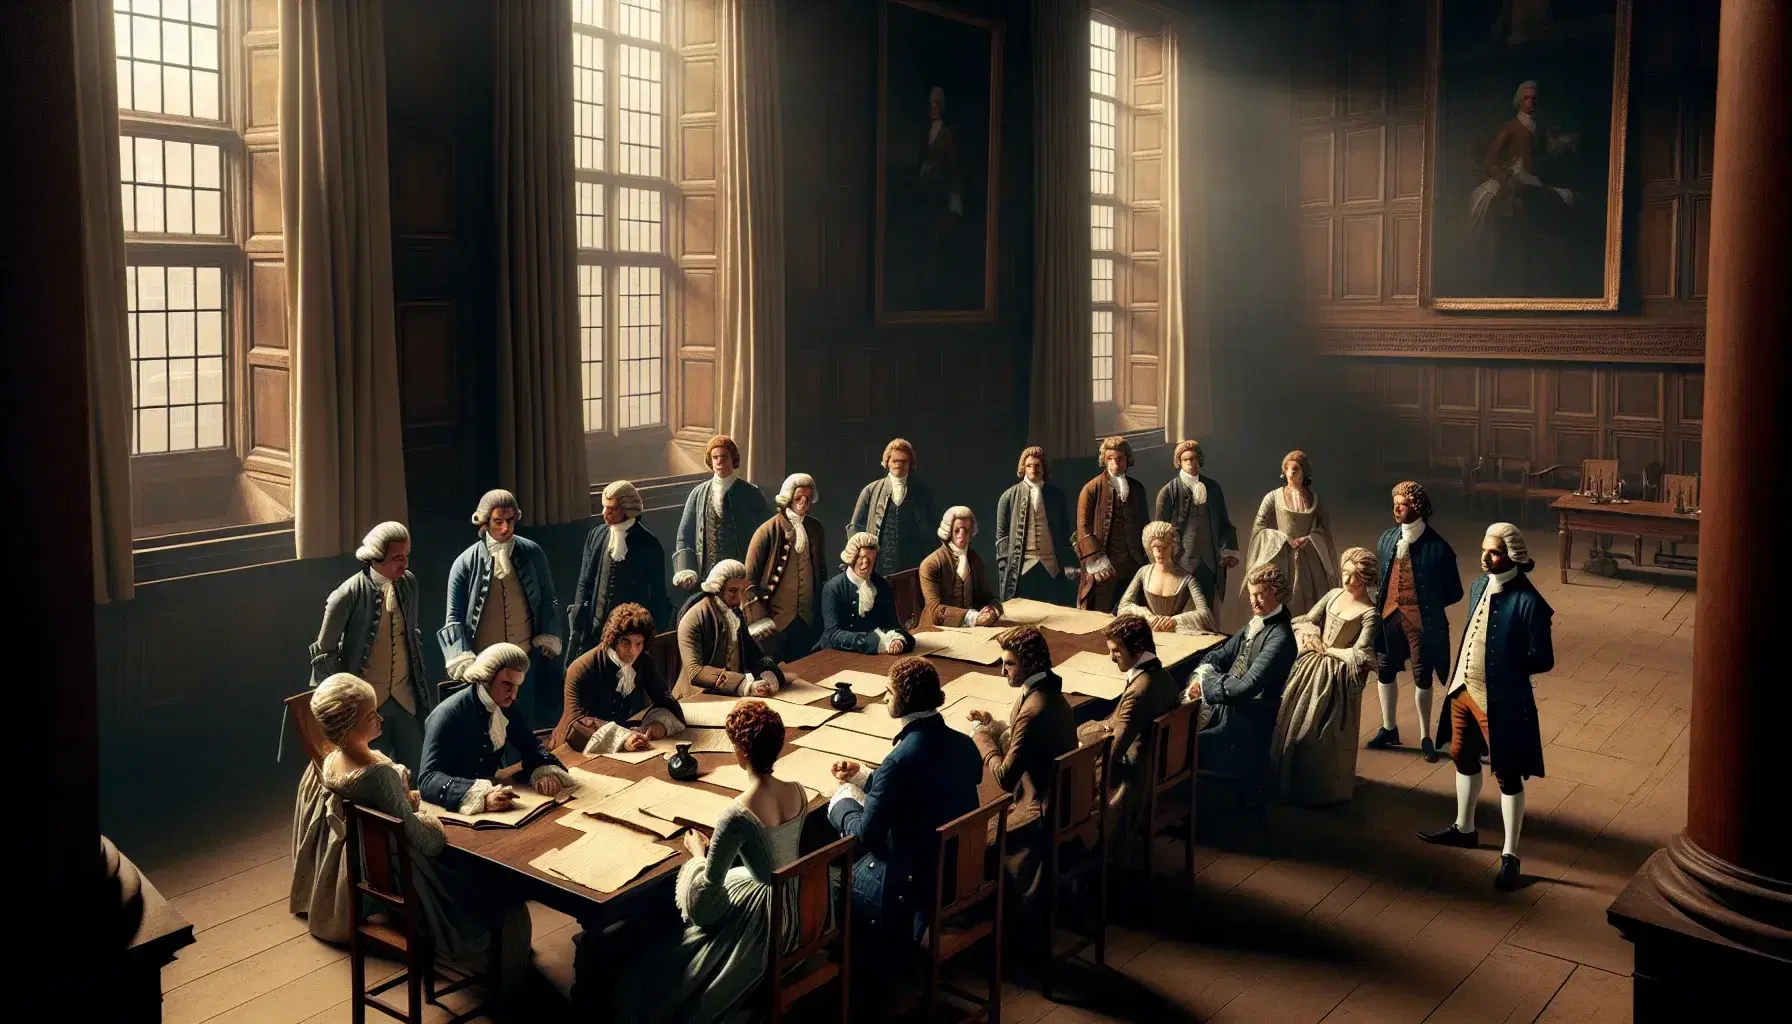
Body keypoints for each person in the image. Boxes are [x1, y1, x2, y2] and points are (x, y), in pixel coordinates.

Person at [295, 675, 531, 985]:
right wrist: (428, 816)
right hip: (403, 867)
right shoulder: (377, 774)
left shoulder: (333, 760)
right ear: (348, 726)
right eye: (371, 715)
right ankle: (505, 962)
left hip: (372, 856)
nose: (380, 718)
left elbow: (384, 799)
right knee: (489, 885)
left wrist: (402, 799)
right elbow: (425, 841)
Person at [610, 701, 811, 1023]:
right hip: (800, 900)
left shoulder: (738, 814)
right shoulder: (798, 791)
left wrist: (698, 853)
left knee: (666, 966)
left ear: (741, 752)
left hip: (767, 920)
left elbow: (706, 905)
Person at [1419, 524, 1553, 892]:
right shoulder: (1479, 586)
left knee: (1507, 773)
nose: (1484, 558)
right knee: (1462, 755)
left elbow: (1544, 659)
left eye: (1492, 553)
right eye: (1483, 550)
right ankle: (1465, 827)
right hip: (1463, 689)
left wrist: (1508, 669)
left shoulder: (1531, 602)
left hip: (1501, 699)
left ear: (1513, 555)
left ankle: (1510, 854)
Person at [827, 658, 982, 955]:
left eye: (889, 692)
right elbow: (924, 785)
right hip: (959, 869)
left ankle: (863, 970)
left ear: (906, 698)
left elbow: (864, 837)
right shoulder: (964, 744)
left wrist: (842, 800)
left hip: (915, 885)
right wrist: (863, 777)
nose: (884, 697)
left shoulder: (897, 762)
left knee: (832, 874)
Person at [308, 521, 434, 769]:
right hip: (366, 706)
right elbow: (325, 653)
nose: (405, 564)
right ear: (377, 557)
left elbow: (410, 634)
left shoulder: (409, 584)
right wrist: (343, 708)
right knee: (372, 770)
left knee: (420, 766)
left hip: (404, 698)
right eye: (397, 558)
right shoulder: (346, 595)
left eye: (406, 556)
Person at [966, 626, 1077, 904]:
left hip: (1039, 810)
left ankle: (999, 915)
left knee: (971, 844)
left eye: (1010, 664)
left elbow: (1004, 777)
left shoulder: (1033, 706)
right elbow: (1026, 742)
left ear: (1029, 663)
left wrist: (981, 736)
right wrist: (996, 726)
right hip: (1059, 798)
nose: (1002, 671)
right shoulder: (1046, 691)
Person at [440, 489, 564, 724]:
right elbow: (453, 618)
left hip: (524, 662)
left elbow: (549, 599)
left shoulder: (533, 553)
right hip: (486, 667)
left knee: (524, 723)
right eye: (498, 522)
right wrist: (462, 659)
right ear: (486, 522)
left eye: (510, 521)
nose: (505, 528)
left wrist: (548, 634)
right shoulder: (464, 563)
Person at [1272, 547, 1381, 806]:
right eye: (1345, 572)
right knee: (1287, 711)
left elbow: (1360, 652)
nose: (1347, 579)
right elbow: (1308, 619)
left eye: (1354, 576)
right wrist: (1311, 635)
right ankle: (1286, 778)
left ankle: (1319, 786)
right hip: (1310, 662)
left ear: (1366, 579)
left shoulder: (1369, 612)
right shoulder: (1333, 595)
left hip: (1336, 674)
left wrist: (1329, 650)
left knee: (1317, 729)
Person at [1367, 481, 1465, 762]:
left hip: (1421, 623)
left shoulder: (1439, 548)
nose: (1397, 508)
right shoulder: (1387, 539)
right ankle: (1389, 728)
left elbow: (1454, 592)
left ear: (1418, 507)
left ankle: (1425, 736)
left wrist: (1426, 604)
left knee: (1422, 677)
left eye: (1404, 503)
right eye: (1395, 502)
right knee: (1385, 671)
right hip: (1388, 618)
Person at [418, 643, 574, 815]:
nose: (514, 695)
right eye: (507, 684)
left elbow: (529, 745)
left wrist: (543, 772)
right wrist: (480, 797)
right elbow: (427, 780)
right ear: (487, 678)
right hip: (452, 810)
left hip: (497, 799)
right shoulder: (447, 715)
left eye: (517, 686)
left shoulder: (506, 706)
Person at [1183, 564, 1297, 795]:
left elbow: (1246, 688)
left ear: (1276, 593)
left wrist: (1205, 685)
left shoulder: (1280, 637)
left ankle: (1189, 804)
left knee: (1181, 742)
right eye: (1251, 594)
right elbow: (1220, 655)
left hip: (1247, 718)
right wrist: (1205, 671)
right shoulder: (1255, 623)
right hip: (1228, 704)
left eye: (1260, 594)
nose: (1253, 601)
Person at [1078, 616, 1181, 860]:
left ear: (1136, 649)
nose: (1111, 657)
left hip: (1134, 779)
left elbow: (1113, 750)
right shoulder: (1162, 675)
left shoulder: (1138, 689)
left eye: (1116, 651)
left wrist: (1090, 788)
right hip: (1154, 765)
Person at [550, 603, 686, 754]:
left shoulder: (643, 661)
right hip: (575, 747)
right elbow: (575, 724)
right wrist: (623, 739)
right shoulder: (582, 668)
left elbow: (666, 700)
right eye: (625, 642)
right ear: (613, 639)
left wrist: (658, 726)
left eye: (638, 643)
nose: (633, 651)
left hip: (625, 744)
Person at [568, 480, 671, 661]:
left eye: (612, 509)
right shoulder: (596, 535)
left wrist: (648, 636)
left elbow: (658, 595)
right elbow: (584, 581)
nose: (604, 513)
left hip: (629, 634)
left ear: (627, 509)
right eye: (604, 507)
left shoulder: (648, 544)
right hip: (594, 630)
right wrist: (579, 622)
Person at [743, 473, 827, 661]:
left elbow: (821, 572)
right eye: (798, 498)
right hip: (777, 619)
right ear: (788, 499)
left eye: (807, 499)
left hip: (807, 618)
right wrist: (759, 618)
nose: (803, 503)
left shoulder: (816, 528)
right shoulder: (767, 531)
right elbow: (748, 581)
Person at [1243, 450, 1337, 617]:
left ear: (1304, 472)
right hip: (1281, 555)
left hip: (1308, 556)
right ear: (1284, 472)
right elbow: (1259, 526)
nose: (1292, 472)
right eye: (1289, 468)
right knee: (1280, 596)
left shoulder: (1315, 499)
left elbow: (1324, 529)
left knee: (1310, 598)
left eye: (1297, 468)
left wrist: (1310, 538)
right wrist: (1281, 538)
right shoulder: (1273, 496)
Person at [673, 435, 771, 593]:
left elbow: (767, 532)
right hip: (707, 578)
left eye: (724, 457)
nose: (719, 461)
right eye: (715, 457)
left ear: (733, 459)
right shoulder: (697, 494)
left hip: (741, 576)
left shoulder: (750, 493)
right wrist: (686, 570)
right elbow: (684, 536)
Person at [673, 560, 784, 699]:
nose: (738, 600)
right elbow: (696, 672)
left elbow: (753, 655)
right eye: (732, 591)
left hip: (731, 696)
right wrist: (743, 684)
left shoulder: (734, 614)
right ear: (717, 588)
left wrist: (767, 672)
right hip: (698, 698)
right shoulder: (694, 619)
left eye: (741, 591)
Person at [1153, 439, 1240, 613]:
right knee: (1181, 610)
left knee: (1207, 610)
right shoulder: (1168, 492)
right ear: (1179, 462)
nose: (1191, 463)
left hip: (1209, 562)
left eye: (1194, 459)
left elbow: (1224, 522)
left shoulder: (1213, 488)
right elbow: (1159, 533)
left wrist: (1229, 551)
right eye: (1186, 459)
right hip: (1181, 562)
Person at [993, 446, 1080, 605]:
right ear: (1023, 468)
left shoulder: (1056, 495)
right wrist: (1005, 568)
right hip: (1022, 569)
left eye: (1037, 465)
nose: (1033, 469)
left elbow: (1064, 532)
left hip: (1051, 567)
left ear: (1044, 467)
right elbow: (1002, 537)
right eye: (1029, 465)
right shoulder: (1008, 496)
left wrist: (1067, 562)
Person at [1075, 436, 1149, 613]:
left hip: (1134, 564)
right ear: (1104, 460)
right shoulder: (1091, 488)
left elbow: (1145, 524)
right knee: (1101, 615)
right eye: (1110, 459)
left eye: (1120, 459)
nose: (1115, 463)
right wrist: (1096, 560)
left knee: (1132, 614)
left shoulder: (1137, 488)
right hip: (1105, 566)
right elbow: (1083, 527)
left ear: (1127, 460)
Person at [847, 438, 938, 576]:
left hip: (915, 567)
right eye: (894, 460)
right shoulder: (870, 490)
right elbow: (855, 526)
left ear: (910, 464)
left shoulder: (923, 493)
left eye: (904, 461)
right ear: (886, 462)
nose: (898, 464)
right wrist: (861, 557)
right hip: (878, 567)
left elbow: (933, 529)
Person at [817, 533, 916, 656]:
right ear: (852, 557)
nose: (866, 564)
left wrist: (895, 639)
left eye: (871, 559)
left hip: (872, 654)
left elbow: (890, 623)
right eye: (862, 558)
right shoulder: (833, 588)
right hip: (837, 652)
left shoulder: (881, 585)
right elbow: (833, 633)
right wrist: (876, 643)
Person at [1116, 520, 1219, 634]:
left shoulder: (1187, 579)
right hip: (1150, 631)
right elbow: (1123, 606)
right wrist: (1147, 616)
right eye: (1155, 547)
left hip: (1175, 634)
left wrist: (1174, 621)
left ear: (1172, 547)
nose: (1159, 552)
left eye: (1164, 547)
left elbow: (1205, 614)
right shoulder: (1144, 572)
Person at [918, 505, 1003, 628]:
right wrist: (974, 618)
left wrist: (992, 610)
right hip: (936, 630)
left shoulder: (974, 559)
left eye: (966, 531)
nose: (962, 536)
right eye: (957, 530)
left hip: (972, 630)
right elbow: (935, 611)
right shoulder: (931, 564)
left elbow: (987, 596)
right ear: (948, 532)